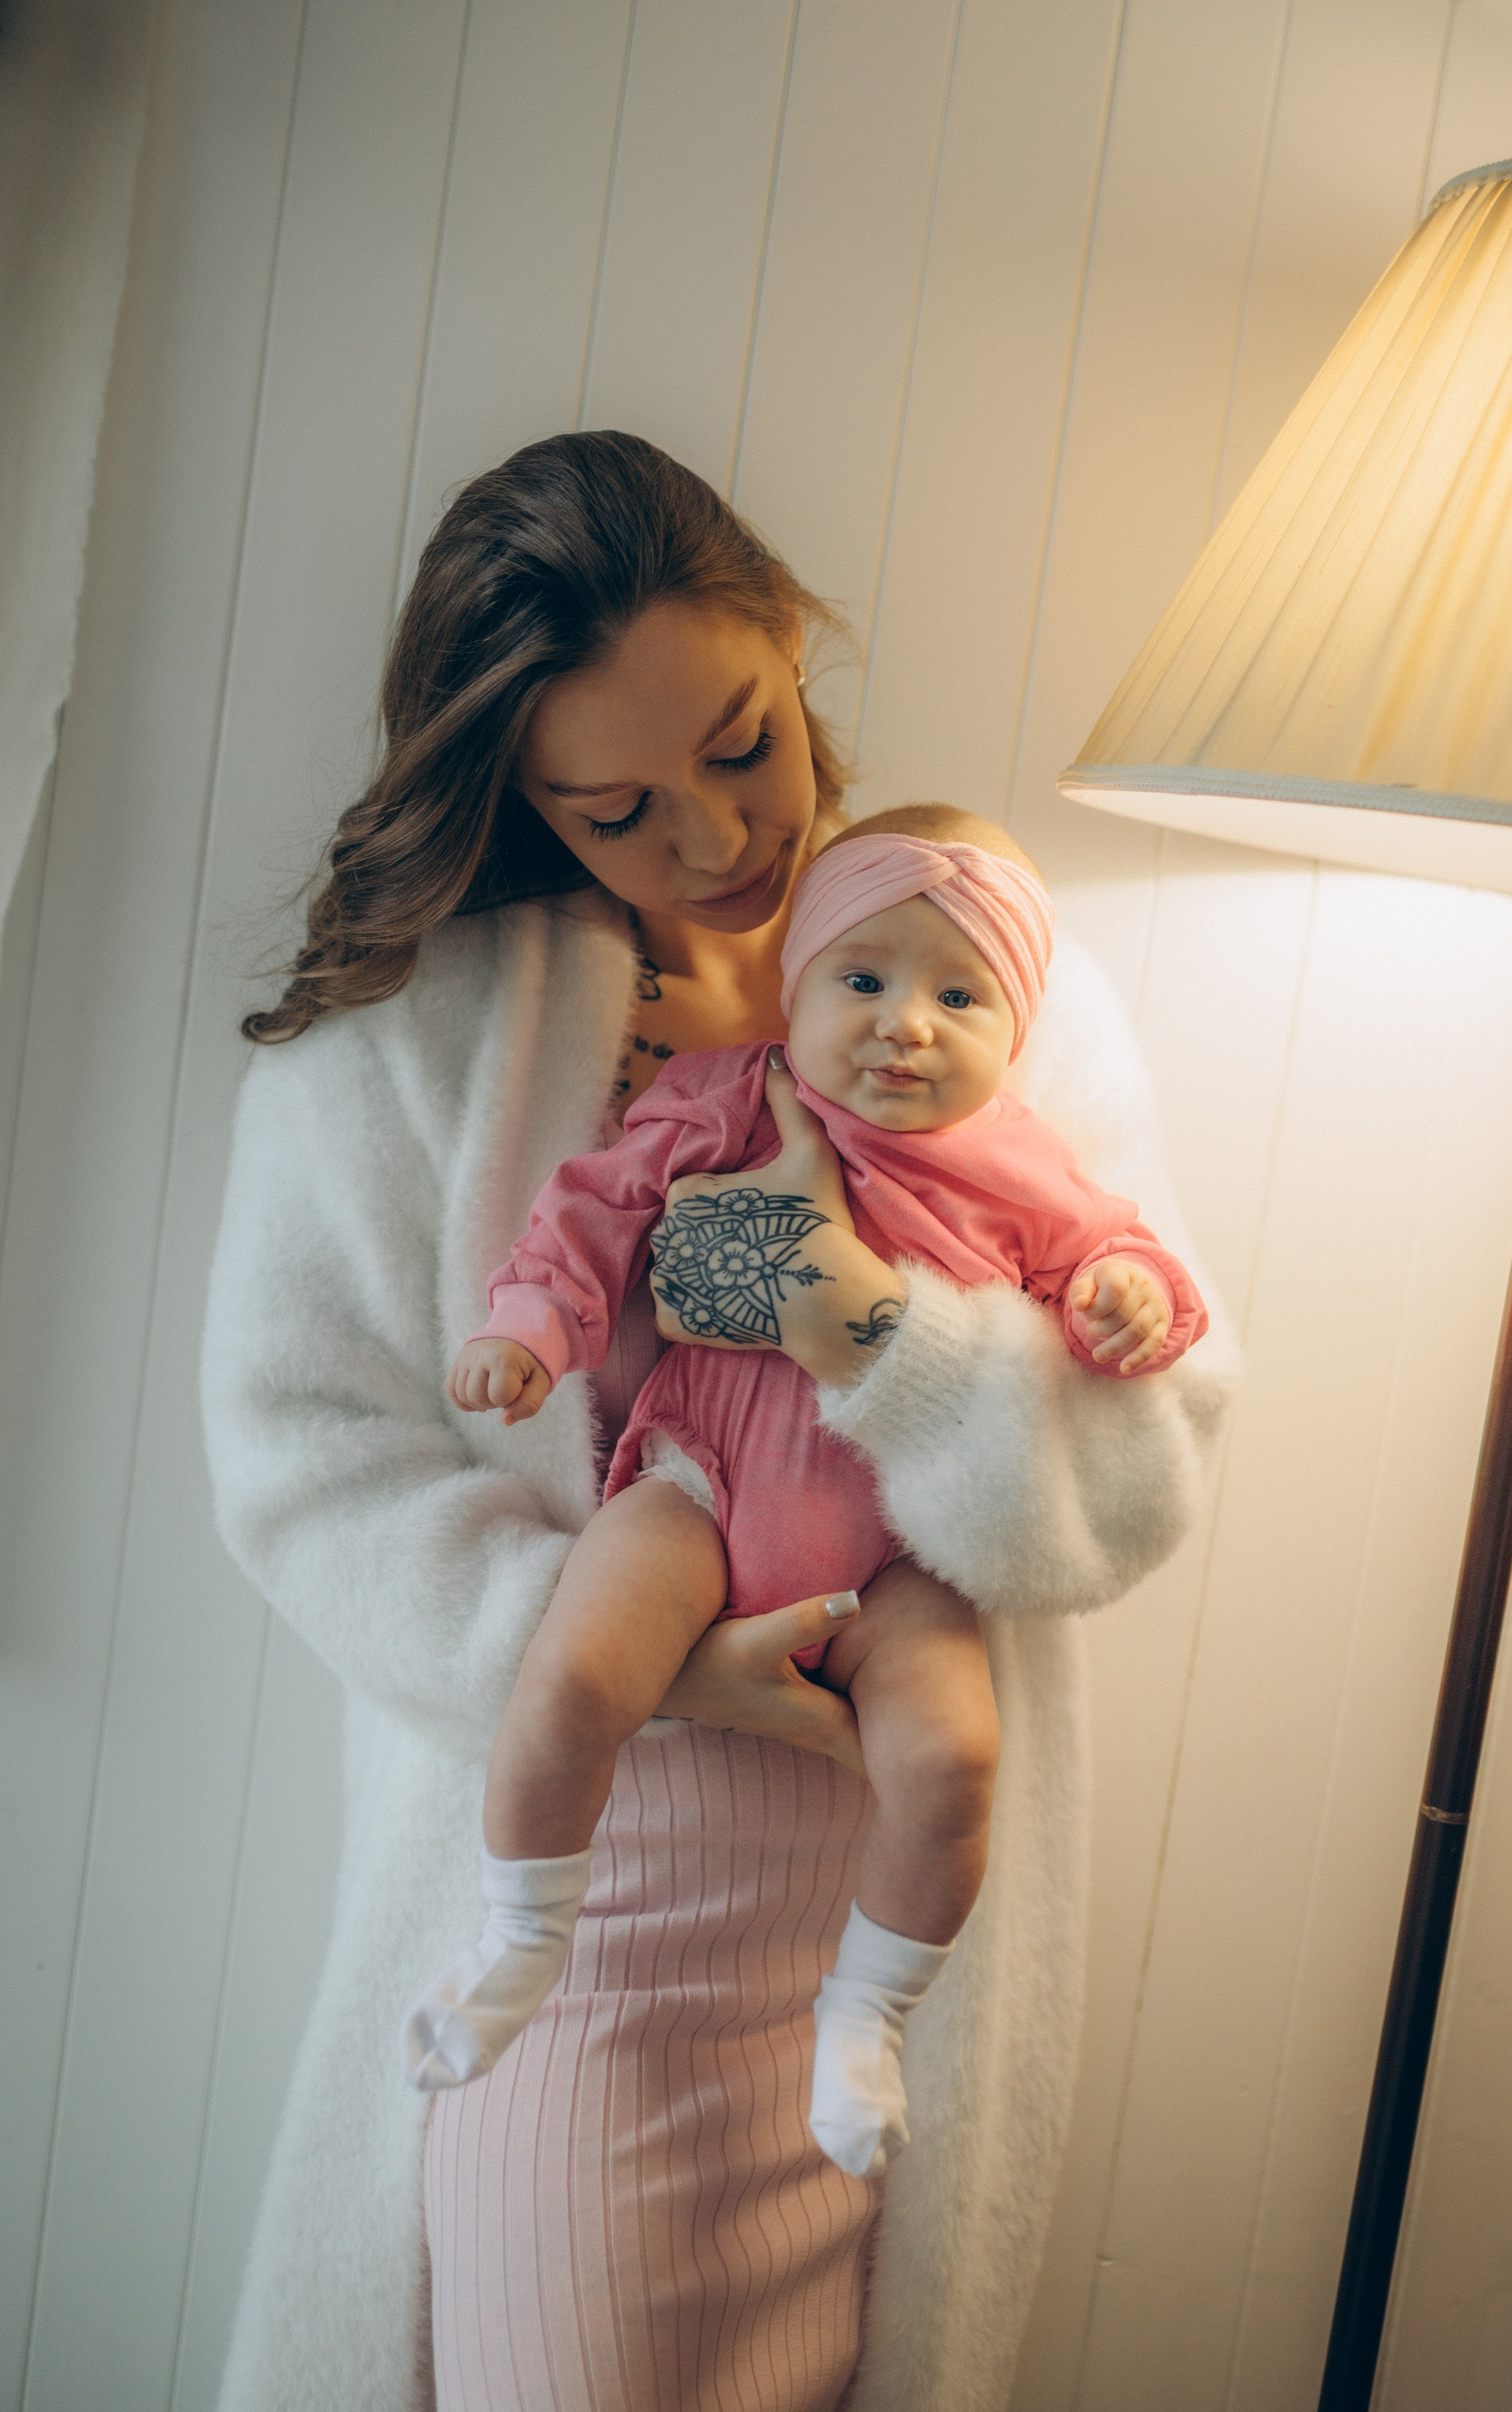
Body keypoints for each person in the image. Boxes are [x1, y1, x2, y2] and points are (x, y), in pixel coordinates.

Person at [201, 432, 1237, 2412]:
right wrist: (633, 1659)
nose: (712, 841)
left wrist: (857, 1318)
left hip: (894, 1943)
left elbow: (1139, 1461)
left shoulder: (999, 987)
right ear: (522, 802)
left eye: (743, 745)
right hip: (577, 1909)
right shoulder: (408, 1048)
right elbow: (300, 1460)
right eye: (616, 812)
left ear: (791, 639)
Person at [403, 814, 1209, 2185]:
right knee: (576, 1674)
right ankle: (518, 1938)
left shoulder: (1017, 1163)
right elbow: (595, 1211)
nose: (906, 1024)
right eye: (865, 979)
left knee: (951, 1760)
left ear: (1015, 1030)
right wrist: (531, 1325)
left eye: (960, 997)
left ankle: (867, 2013)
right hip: (698, 1484)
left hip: (890, 1557)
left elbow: (1115, 1258)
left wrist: (1122, 1298)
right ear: (800, 984)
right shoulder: (732, 1095)